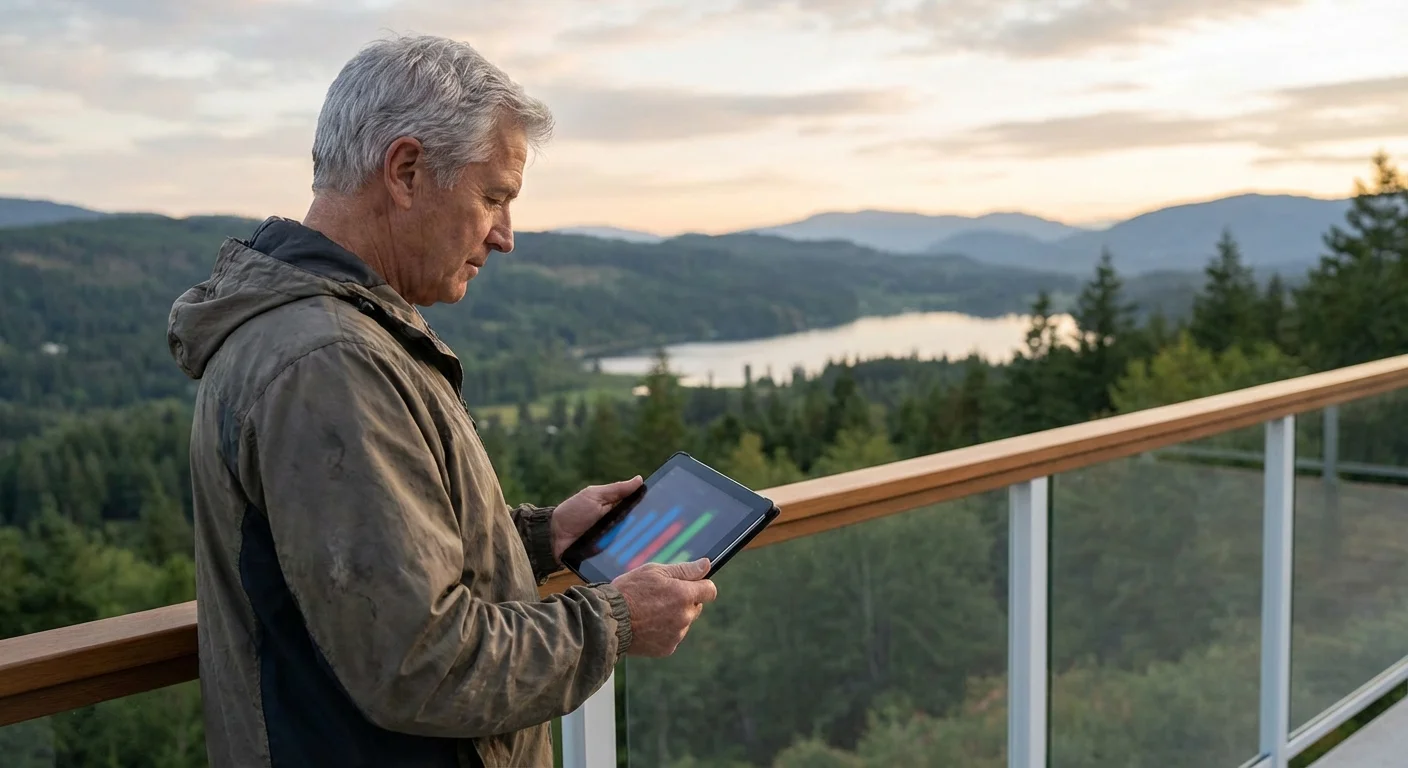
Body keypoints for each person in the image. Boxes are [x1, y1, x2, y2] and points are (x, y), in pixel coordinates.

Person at [167, 34, 717, 768]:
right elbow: (420, 662)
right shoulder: (329, 362)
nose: (505, 236)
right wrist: (616, 621)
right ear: (406, 171)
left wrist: (542, 538)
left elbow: (366, 572)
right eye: (493, 197)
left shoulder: (330, 337)